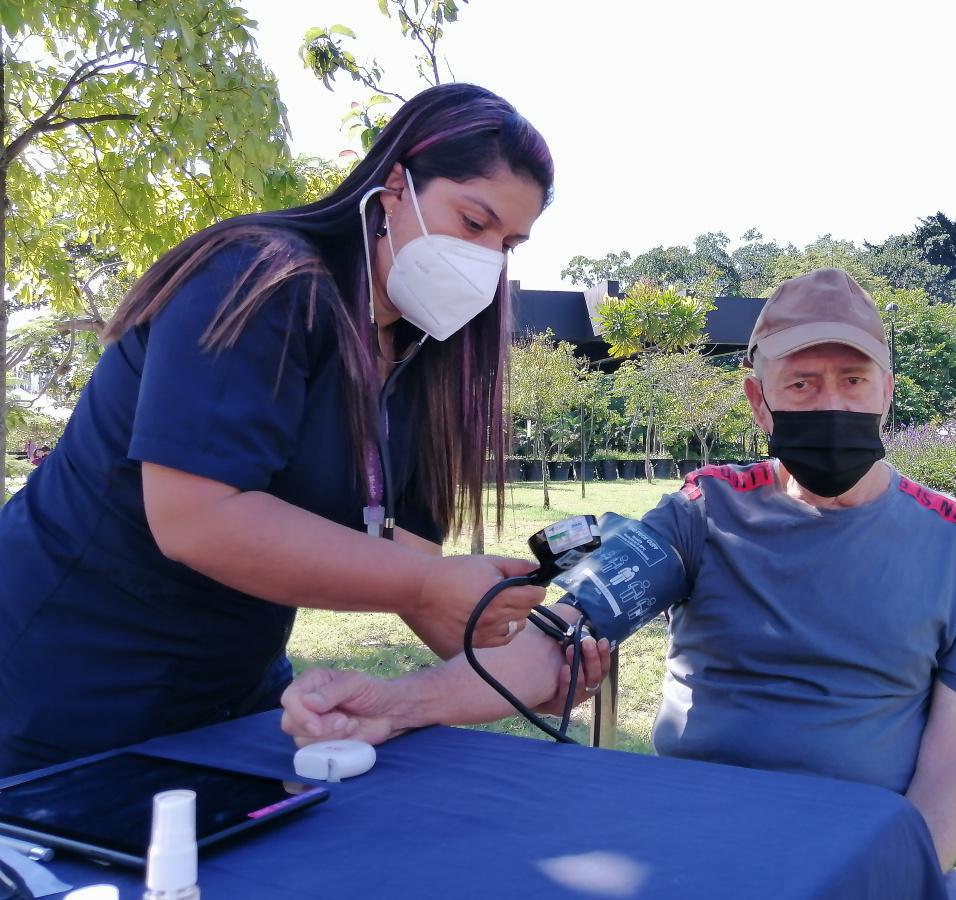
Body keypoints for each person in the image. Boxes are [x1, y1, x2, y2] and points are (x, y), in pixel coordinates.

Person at [282, 269, 956, 899]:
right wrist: (397, 703)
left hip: (863, 840)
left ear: (887, 392)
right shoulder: (704, 511)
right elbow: (551, 641)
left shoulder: (952, 541)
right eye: (802, 383)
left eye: (853, 379)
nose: (829, 402)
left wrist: (902, 869)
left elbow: (947, 760)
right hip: (695, 835)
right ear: (758, 400)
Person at [0, 83, 575, 777]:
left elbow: (416, 575)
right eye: (474, 223)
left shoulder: (423, 359)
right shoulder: (259, 277)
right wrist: (430, 586)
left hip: (231, 696)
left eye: (510, 244)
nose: (488, 260)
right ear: (394, 186)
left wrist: (532, 640)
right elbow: (196, 520)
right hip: (56, 686)